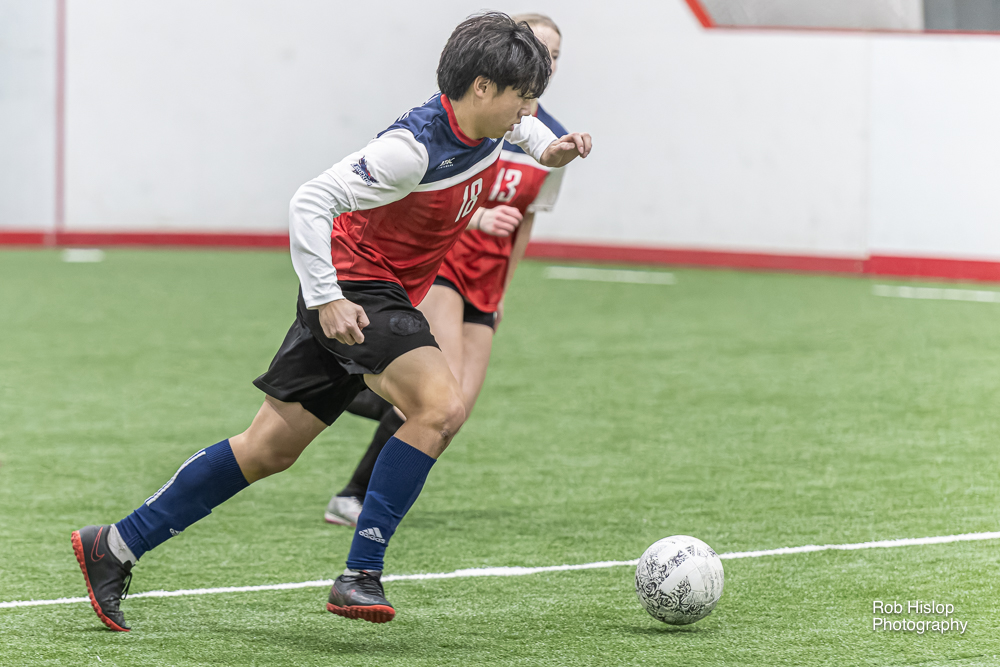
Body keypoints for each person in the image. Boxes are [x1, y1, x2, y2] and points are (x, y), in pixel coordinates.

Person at [70, 11, 591, 631]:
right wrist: (326, 298)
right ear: (481, 87)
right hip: (357, 291)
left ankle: (115, 545)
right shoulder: (409, 151)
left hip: (369, 294)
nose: (528, 110)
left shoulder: (488, 120)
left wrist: (547, 149)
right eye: (522, 97)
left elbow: (521, 128)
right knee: (440, 406)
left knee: (266, 449)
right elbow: (310, 200)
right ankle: (360, 571)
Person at [326, 13, 570, 529]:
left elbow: (525, 220)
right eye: (536, 47)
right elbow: (434, 193)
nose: (544, 60)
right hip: (447, 266)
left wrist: (503, 291)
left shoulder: (550, 140)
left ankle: (350, 387)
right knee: (439, 396)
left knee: (456, 407)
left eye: (553, 55)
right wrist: (477, 220)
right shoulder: (472, 116)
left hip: (487, 279)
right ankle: (357, 500)